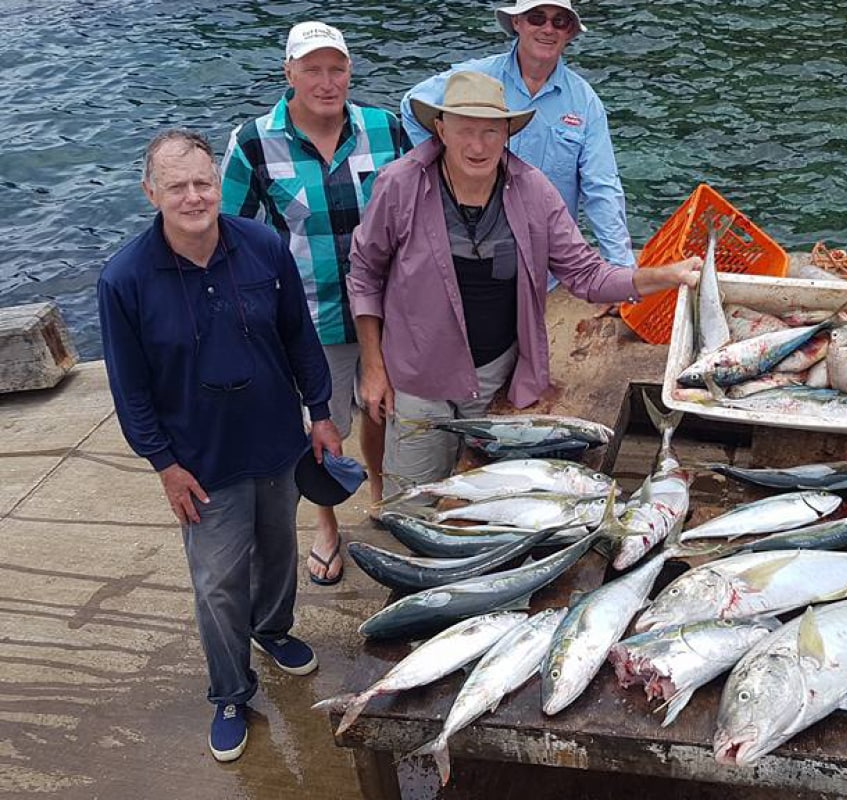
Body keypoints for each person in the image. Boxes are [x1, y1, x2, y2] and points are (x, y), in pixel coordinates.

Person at [98, 130, 340, 762]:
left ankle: (274, 629)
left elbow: (298, 337)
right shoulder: (123, 278)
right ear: (150, 192)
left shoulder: (262, 244)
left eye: (203, 181)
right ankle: (230, 692)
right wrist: (165, 466)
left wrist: (320, 412)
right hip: (200, 464)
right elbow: (129, 387)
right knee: (217, 582)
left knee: (280, 550)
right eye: (176, 185)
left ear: (218, 182)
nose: (193, 196)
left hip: (276, 441)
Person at [349, 71, 698, 492]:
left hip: (498, 373)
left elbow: (586, 275)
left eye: (490, 132)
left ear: (507, 133)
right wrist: (373, 367)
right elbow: (365, 274)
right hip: (418, 376)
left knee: (486, 496)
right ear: (441, 130)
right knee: (411, 497)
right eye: (465, 131)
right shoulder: (399, 184)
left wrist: (667, 276)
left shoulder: (533, 190)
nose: (477, 146)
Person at [221, 21, 407, 586]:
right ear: (289, 74)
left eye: (337, 69)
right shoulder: (252, 141)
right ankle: (327, 523)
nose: (326, 82)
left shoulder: (386, 127)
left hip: (386, 310)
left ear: (350, 72)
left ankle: (378, 494)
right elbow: (228, 231)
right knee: (320, 425)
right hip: (306, 316)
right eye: (312, 69)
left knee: (381, 409)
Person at [399, 0, 635, 283]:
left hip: (546, 270)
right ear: (517, 23)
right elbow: (411, 106)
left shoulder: (586, 102)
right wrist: (444, 168)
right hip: (470, 256)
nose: (548, 28)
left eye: (559, 21)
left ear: (570, 32)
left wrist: (621, 270)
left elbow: (602, 188)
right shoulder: (475, 78)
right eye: (537, 18)